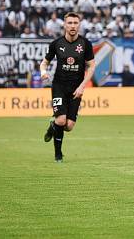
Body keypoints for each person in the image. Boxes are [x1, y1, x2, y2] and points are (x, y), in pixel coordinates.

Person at [40, 12, 95, 163]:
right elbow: (44, 63)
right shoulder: (56, 44)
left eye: (75, 23)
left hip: (76, 88)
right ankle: (58, 154)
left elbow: (91, 67)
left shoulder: (85, 44)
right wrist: (43, 72)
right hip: (59, 86)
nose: (72, 26)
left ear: (79, 25)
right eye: (69, 23)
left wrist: (83, 86)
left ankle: (52, 127)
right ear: (64, 25)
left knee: (69, 126)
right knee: (61, 120)